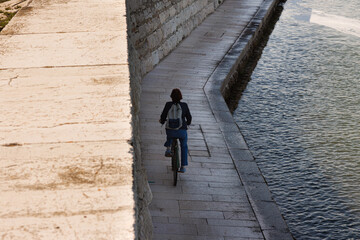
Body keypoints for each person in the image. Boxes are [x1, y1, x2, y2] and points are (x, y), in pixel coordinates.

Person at [159, 88, 192, 173]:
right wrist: (187, 123)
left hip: (171, 132)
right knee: (184, 146)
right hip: (182, 131)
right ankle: (183, 167)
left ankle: (168, 149)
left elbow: (163, 116)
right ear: (181, 97)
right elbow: (189, 118)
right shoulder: (184, 105)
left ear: (171, 97)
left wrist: (162, 121)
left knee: (170, 131)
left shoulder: (168, 104)